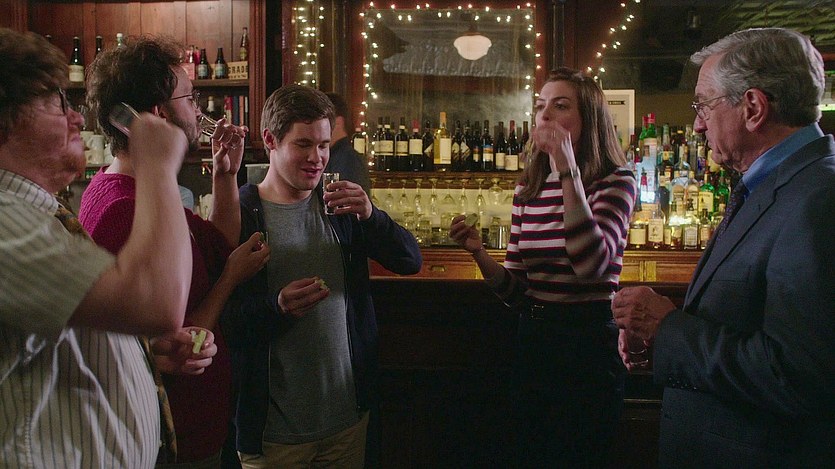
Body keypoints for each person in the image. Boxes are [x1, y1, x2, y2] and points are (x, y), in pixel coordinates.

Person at [611, 28, 835, 467]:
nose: (697, 124)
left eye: (704, 105)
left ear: (753, 108)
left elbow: (799, 375)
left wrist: (668, 329)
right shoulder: (775, 184)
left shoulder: (818, 200)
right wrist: (661, 342)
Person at [0, 28, 214, 468]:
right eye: (58, 102)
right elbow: (157, 302)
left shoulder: (34, 213)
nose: (77, 119)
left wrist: (139, 352)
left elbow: (53, 343)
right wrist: (157, 163)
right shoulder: (5, 218)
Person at [81, 36, 269, 467]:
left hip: (197, 429)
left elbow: (215, 245)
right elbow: (172, 339)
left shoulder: (141, 187)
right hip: (172, 438)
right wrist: (230, 279)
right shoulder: (123, 208)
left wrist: (226, 175)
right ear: (159, 114)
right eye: (190, 97)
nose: (198, 110)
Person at [223, 84, 421, 468]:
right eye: (303, 144)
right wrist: (277, 307)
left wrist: (372, 216)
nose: (317, 158)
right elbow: (225, 322)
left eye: (324, 145)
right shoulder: (243, 212)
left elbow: (409, 260)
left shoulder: (338, 205)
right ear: (270, 140)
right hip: (274, 435)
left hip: (346, 423)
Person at [449, 67, 636, 467]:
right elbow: (517, 292)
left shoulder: (615, 181)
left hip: (588, 344)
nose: (545, 115)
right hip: (536, 340)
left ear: (589, 119)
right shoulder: (529, 186)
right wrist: (479, 254)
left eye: (560, 105)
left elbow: (592, 266)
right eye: (540, 106)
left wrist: (567, 170)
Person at [324, 92, 371, 196]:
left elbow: (349, 203)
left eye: (323, 121)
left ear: (338, 122)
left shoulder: (348, 159)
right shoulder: (334, 156)